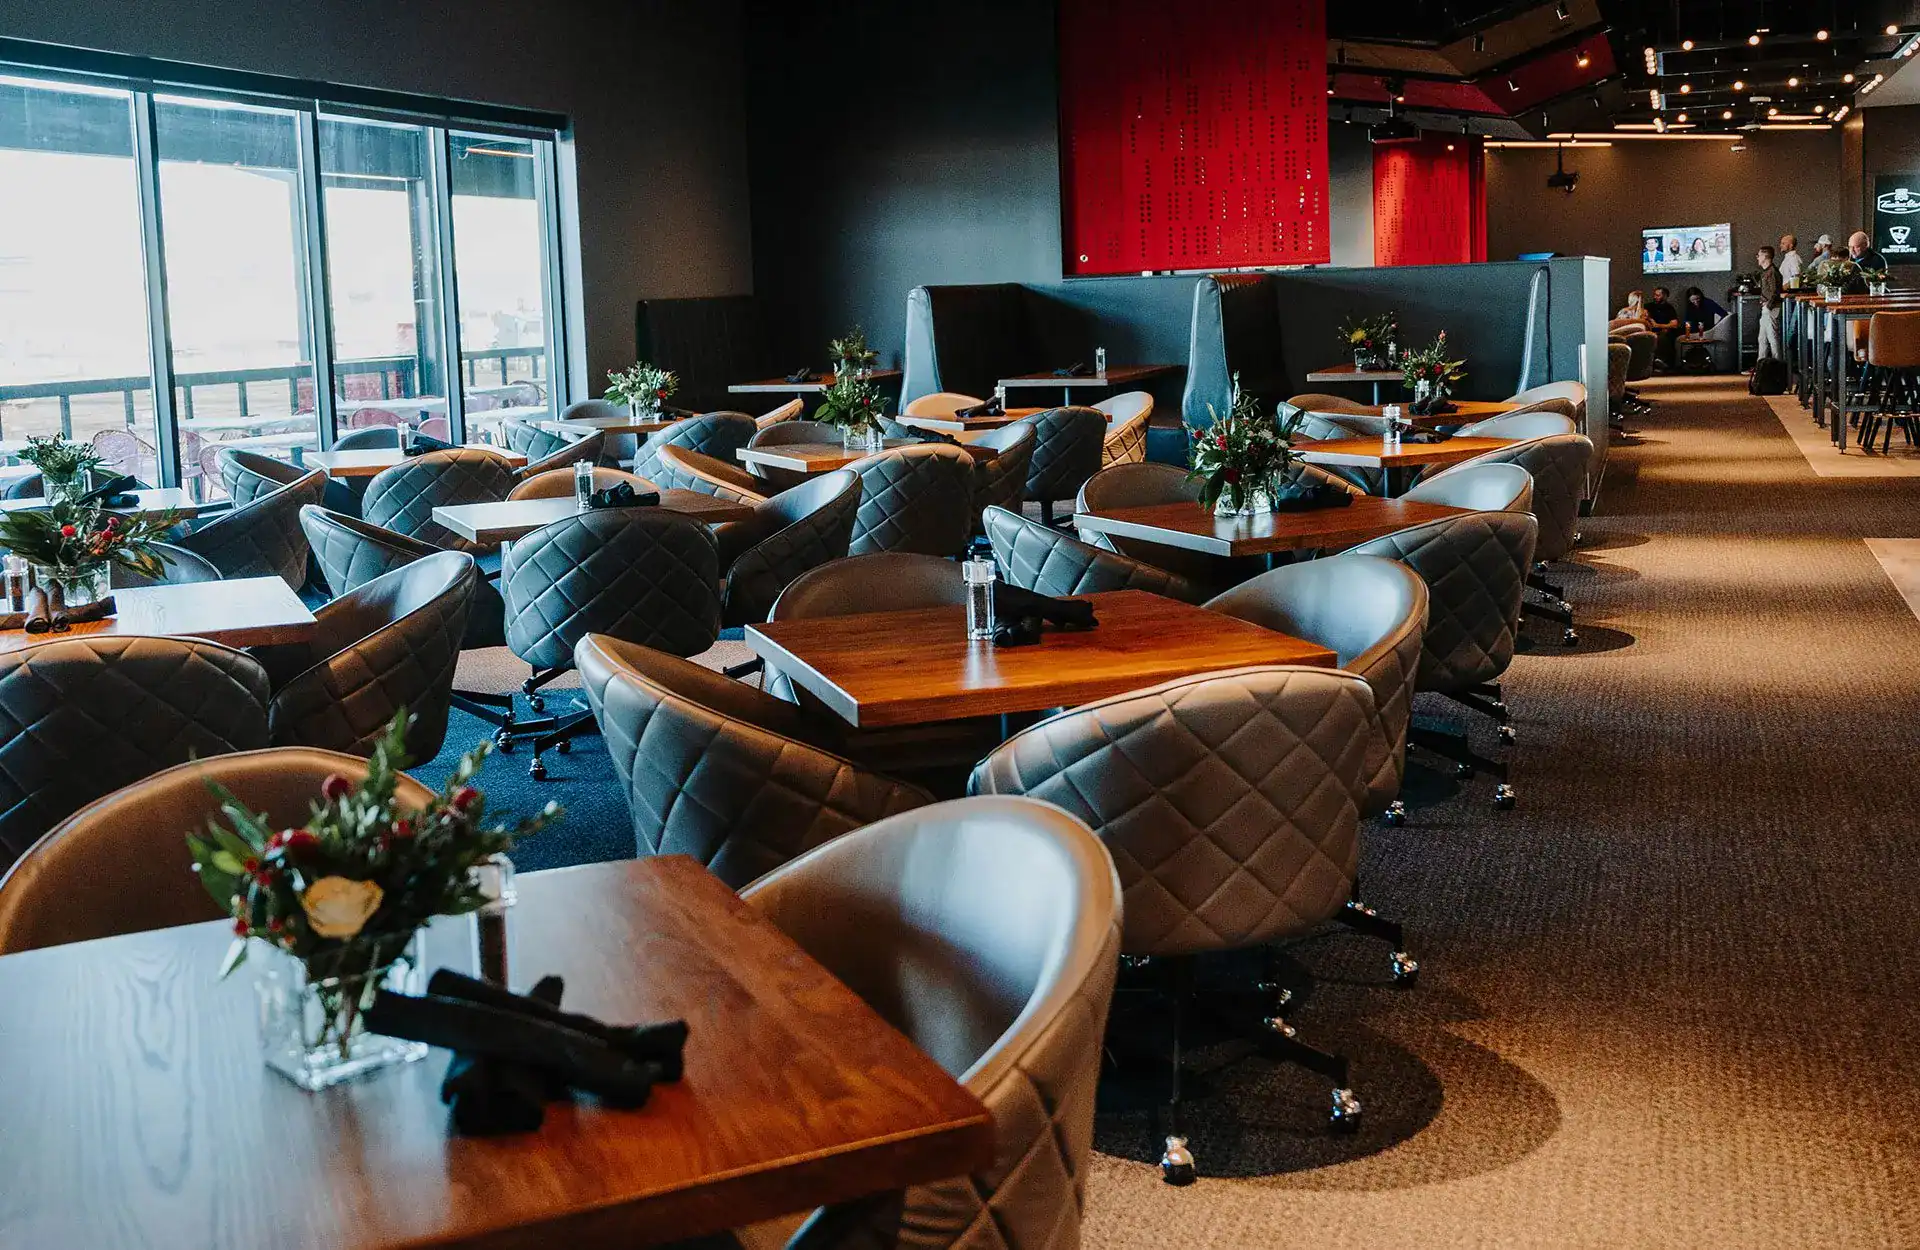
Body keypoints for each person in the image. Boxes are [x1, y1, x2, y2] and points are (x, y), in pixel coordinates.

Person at [1755, 245, 1783, 362]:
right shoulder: (1769, 272)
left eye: (1759, 255)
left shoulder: (1772, 272)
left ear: (1765, 256)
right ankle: (1761, 363)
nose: (1757, 257)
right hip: (1768, 307)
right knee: (1763, 338)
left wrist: (1768, 305)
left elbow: (1775, 292)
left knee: (1772, 338)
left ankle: (1778, 364)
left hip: (1771, 308)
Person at [1645, 286, 1683, 365]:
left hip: (1666, 332)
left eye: (1658, 295)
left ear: (1665, 296)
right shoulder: (1649, 306)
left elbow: (1674, 324)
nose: (1655, 297)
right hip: (1651, 331)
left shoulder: (1669, 308)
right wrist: (1651, 320)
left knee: (1668, 335)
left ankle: (1665, 363)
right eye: (1654, 295)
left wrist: (1659, 326)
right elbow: (1644, 317)